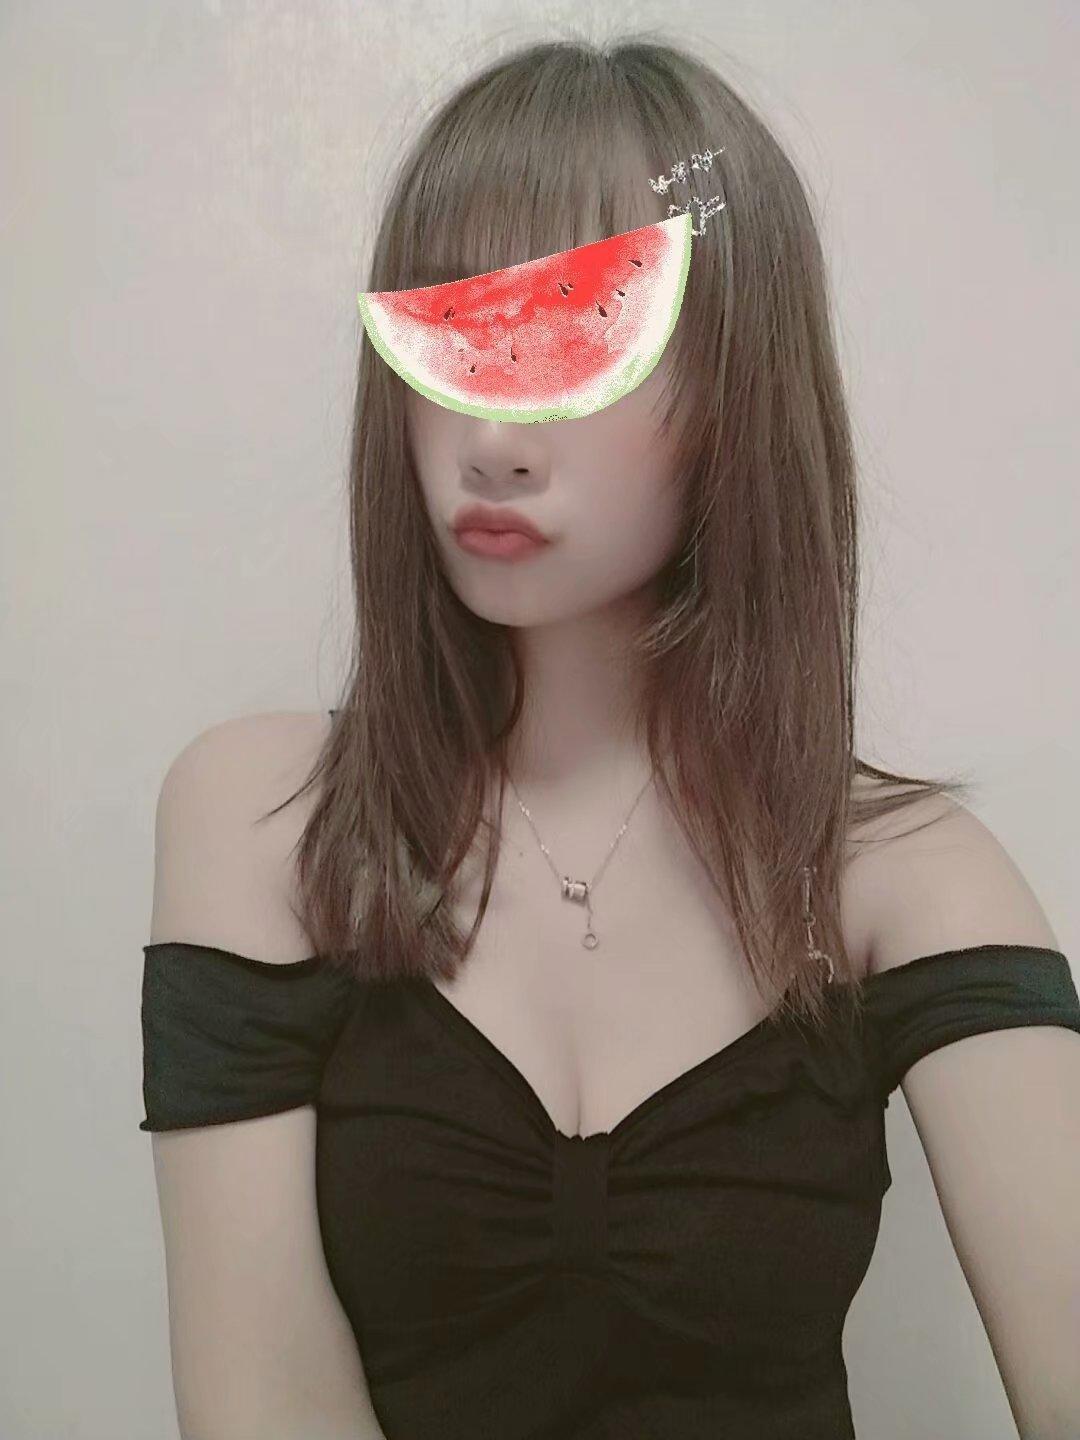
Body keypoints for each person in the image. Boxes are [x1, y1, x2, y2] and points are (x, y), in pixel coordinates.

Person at [139, 32, 1080, 1440]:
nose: (493, 437)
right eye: (457, 339)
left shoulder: (898, 875)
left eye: (580, 335)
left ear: (735, 385)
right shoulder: (270, 819)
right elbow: (261, 1398)